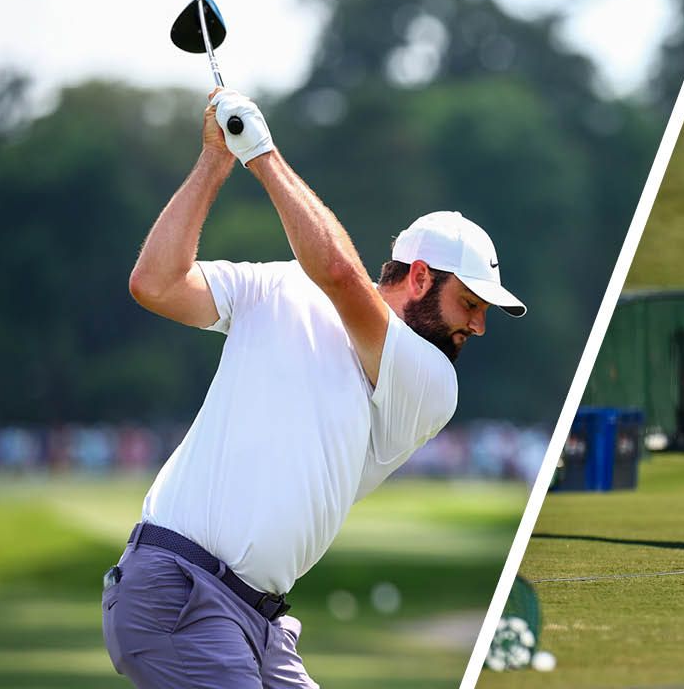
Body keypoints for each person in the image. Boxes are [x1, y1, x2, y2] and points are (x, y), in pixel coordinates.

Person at [101, 88, 526, 688]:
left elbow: (340, 276)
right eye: (470, 303)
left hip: (257, 619)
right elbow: (156, 283)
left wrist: (263, 154)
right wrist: (216, 162)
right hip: (179, 592)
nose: (478, 325)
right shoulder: (278, 286)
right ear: (422, 277)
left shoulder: (432, 384)